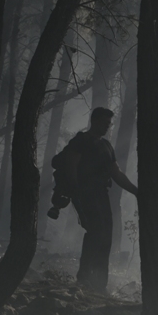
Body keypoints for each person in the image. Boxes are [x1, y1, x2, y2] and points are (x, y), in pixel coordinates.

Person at [61, 107, 138, 293]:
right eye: (104, 122)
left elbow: (116, 173)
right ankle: (85, 278)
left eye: (109, 124)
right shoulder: (81, 140)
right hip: (85, 193)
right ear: (94, 120)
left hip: (101, 195)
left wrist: (136, 191)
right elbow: (71, 164)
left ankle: (99, 283)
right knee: (95, 233)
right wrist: (74, 191)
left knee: (105, 236)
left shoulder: (106, 146)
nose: (106, 127)